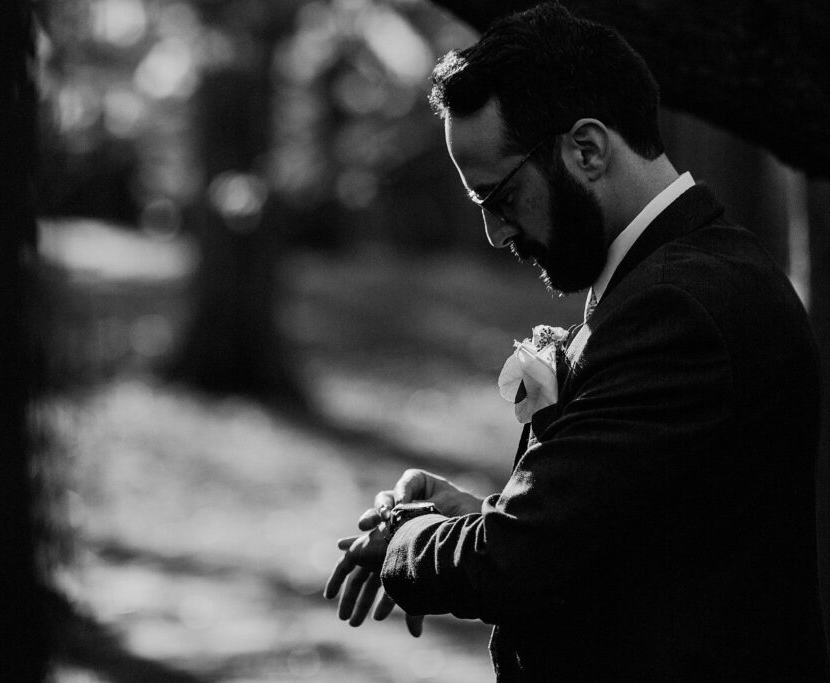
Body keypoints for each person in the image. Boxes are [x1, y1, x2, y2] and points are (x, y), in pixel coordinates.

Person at [324, 3, 828, 681]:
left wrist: (403, 541)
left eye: (500, 199)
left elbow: (521, 557)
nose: (497, 236)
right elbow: (632, 534)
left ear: (585, 149)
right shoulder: (681, 277)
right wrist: (478, 515)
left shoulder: (677, 305)